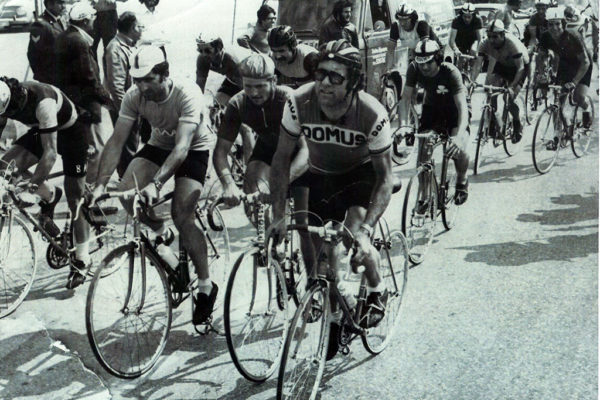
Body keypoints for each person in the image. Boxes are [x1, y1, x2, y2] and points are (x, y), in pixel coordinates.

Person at [270, 40, 394, 342]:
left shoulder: (371, 113)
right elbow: (281, 159)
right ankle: (337, 313)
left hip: (361, 177)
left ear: (353, 82)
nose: (324, 82)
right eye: (320, 73)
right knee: (324, 255)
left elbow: (385, 178)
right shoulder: (299, 101)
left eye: (335, 77)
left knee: (351, 244)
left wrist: (366, 229)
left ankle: (377, 287)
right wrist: (278, 215)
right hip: (323, 174)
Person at [90, 45, 216, 324]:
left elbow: (182, 147)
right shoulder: (135, 96)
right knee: (125, 193)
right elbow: (116, 141)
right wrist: (100, 184)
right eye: (137, 80)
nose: (141, 86)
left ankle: (206, 285)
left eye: (148, 79)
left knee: (182, 214)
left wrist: (156, 184)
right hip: (159, 144)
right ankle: (161, 235)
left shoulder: (186, 93)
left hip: (193, 147)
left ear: (163, 74)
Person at [0, 77, 90, 289]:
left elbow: (49, 154)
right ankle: (49, 195)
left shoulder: (43, 103)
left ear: (16, 102)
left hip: (72, 133)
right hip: (42, 129)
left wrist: (31, 189)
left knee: (75, 200)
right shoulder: (3, 98)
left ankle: (82, 260)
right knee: (5, 167)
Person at [213, 54, 308, 202]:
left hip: (300, 150)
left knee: (304, 219)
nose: (253, 93)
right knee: (252, 191)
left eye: (260, 86)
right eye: (248, 86)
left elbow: (306, 150)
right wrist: (228, 184)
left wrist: (278, 183)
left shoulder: (289, 99)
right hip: (269, 146)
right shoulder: (238, 103)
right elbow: (220, 151)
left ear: (274, 81)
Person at [398, 39, 470, 210]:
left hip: (454, 109)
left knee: (459, 149)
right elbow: (405, 99)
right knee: (423, 150)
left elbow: (463, 109)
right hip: (433, 108)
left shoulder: (451, 72)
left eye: (428, 63)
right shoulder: (414, 69)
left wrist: (459, 137)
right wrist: (403, 126)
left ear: (437, 59)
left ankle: (462, 179)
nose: (424, 68)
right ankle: (424, 197)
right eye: (420, 63)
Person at [55, 2, 113, 185]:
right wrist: (107, 98)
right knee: (97, 148)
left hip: (74, 101)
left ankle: (86, 189)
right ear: (85, 20)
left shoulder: (66, 36)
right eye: (93, 17)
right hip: (86, 102)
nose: (95, 21)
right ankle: (89, 193)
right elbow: (88, 76)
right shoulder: (79, 41)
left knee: (91, 147)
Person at [539, 7, 593, 149]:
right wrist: (542, 76)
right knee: (558, 103)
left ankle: (587, 111)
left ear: (563, 23)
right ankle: (559, 135)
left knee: (578, 97)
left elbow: (585, 61)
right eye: (551, 24)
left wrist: (574, 82)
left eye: (557, 24)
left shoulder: (573, 36)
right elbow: (541, 57)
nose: (554, 28)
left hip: (582, 64)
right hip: (565, 64)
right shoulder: (545, 37)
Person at [195, 34, 254, 161]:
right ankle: (237, 145)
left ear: (219, 48)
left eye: (207, 51)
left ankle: (249, 162)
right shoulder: (202, 59)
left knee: (245, 125)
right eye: (200, 50)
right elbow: (199, 86)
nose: (203, 54)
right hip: (233, 80)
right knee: (214, 113)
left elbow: (245, 92)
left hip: (251, 81)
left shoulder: (233, 59)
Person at [471, 20, 529, 143]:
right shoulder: (484, 43)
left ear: (502, 35)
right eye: (489, 36)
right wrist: (472, 81)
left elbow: (520, 68)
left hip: (519, 67)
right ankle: (493, 123)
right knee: (491, 91)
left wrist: (512, 87)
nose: (491, 40)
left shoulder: (512, 43)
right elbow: (477, 66)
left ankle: (517, 124)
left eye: (495, 37)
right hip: (502, 65)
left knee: (509, 98)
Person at [104, 11, 144, 177]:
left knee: (130, 143)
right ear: (133, 28)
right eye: (140, 26)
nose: (142, 29)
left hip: (130, 104)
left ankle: (126, 177)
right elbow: (117, 86)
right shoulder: (115, 49)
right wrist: (127, 111)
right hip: (123, 107)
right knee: (128, 145)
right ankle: (128, 181)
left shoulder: (127, 44)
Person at [385, 4, 441, 72]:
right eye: (400, 19)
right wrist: (388, 69)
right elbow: (390, 50)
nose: (402, 23)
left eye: (405, 20)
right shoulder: (396, 27)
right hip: (416, 51)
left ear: (412, 18)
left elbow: (425, 49)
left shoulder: (421, 24)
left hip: (433, 52)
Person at [27, 0, 68, 85]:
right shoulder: (41, 25)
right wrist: (43, 78)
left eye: (64, 2)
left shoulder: (60, 20)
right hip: (51, 78)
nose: (64, 6)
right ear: (50, 5)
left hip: (64, 75)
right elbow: (33, 54)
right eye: (60, 3)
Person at [525, 0, 552, 84]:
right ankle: (530, 79)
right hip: (538, 39)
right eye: (538, 9)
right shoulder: (534, 18)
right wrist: (530, 48)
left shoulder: (551, 16)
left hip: (551, 40)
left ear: (547, 8)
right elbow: (533, 37)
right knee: (529, 55)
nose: (540, 11)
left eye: (543, 9)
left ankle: (554, 74)